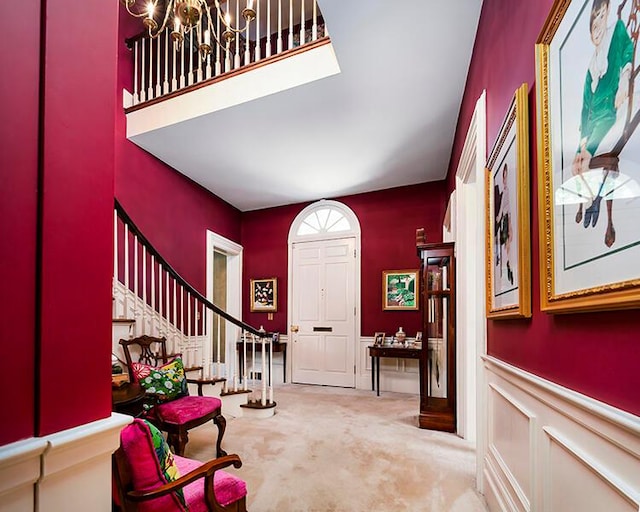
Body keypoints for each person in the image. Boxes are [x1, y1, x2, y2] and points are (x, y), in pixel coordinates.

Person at [571, 0, 633, 247]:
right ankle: (592, 197)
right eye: (593, 21)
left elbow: (628, 50)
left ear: (607, 16)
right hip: (591, 124)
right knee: (577, 158)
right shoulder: (589, 70)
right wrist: (582, 139)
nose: (597, 26)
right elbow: (586, 107)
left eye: (601, 18)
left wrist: (626, 76)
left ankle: (596, 196)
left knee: (586, 154)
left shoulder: (617, 31)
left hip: (609, 113)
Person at [496, 163, 514, 285]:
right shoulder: (504, 192)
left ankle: (508, 262)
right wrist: (498, 218)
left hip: (507, 218)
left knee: (508, 243)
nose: (505, 179)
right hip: (504, 220)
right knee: (505, 243)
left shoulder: (508, 192)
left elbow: (507, 209)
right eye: (504, 177)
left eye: (506, 177)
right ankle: (507, 262)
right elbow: (502, 207)